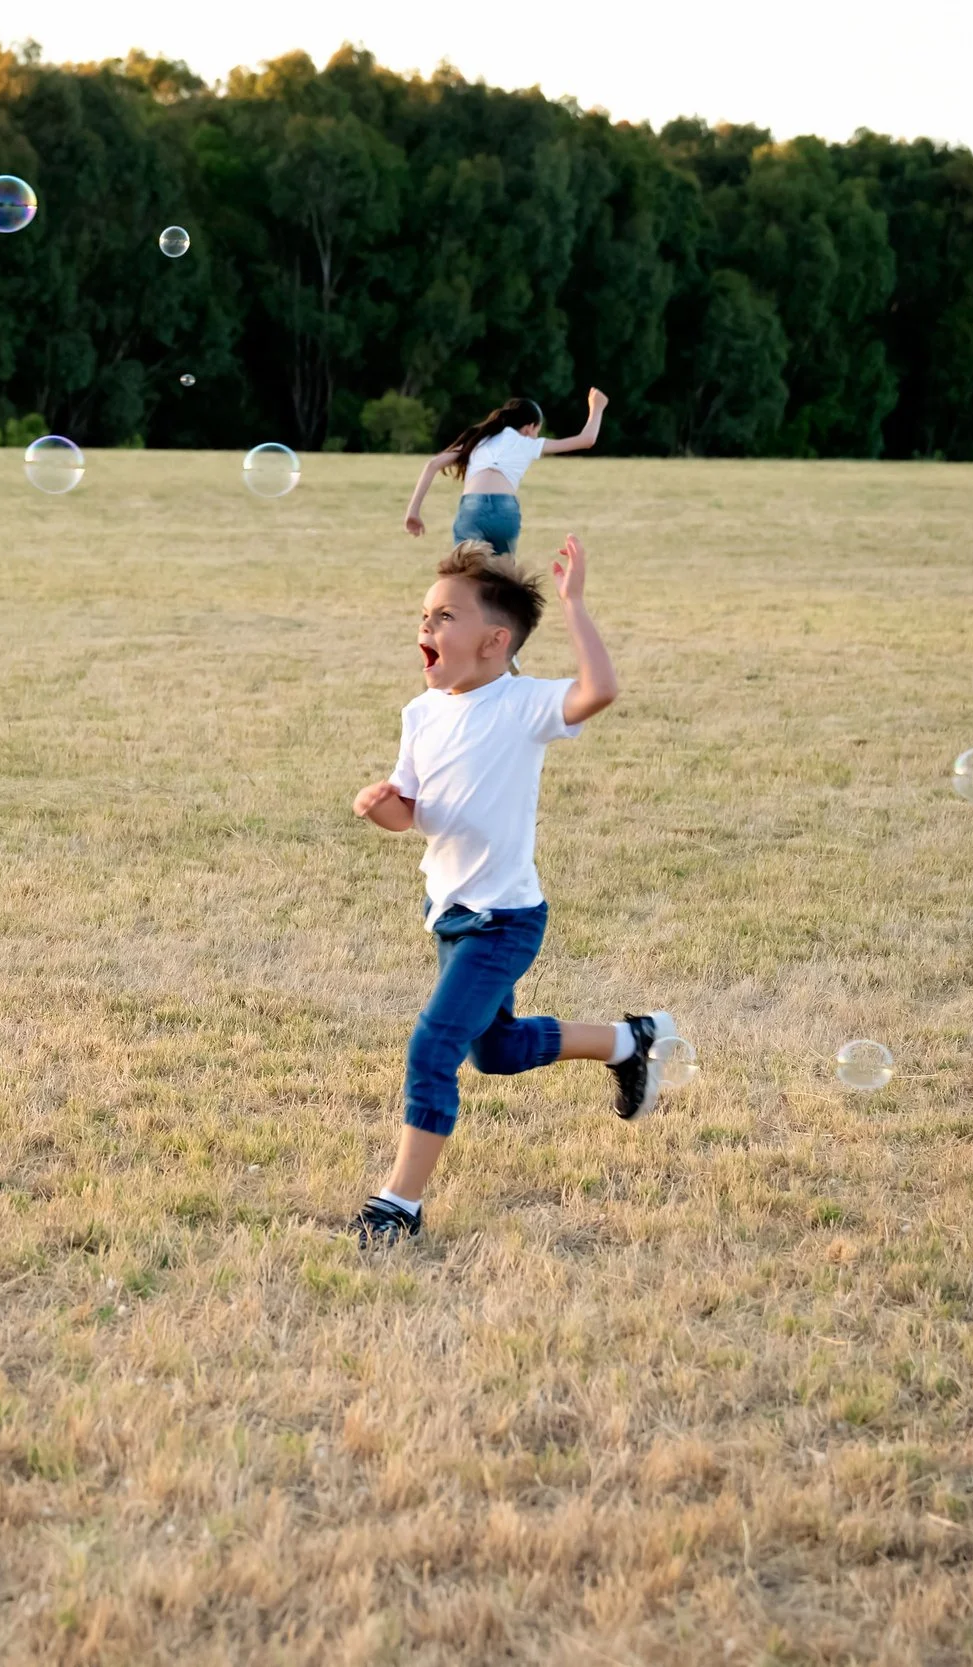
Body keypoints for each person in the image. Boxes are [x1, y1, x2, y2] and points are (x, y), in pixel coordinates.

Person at [347, 535, 680, 1248]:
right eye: (425, 616)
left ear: (495, 642)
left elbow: (601, 691)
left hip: (506, 920)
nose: (425, 629)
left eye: (443, 617)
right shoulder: (421, 714)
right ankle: (632, 1040)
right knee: (492, 1049)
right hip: (449, 914)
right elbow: (413, 810)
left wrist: (575, 607)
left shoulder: (523, 704)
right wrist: (385, 808)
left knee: (433, 1046)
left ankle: (398, 1204)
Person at [403, 389, 609, 555]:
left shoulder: (478, 439)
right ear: (530, 428)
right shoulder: (527, 443)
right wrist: (597, 407)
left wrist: (413, 512)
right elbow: (586, 440)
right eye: (537, 429)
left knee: (464, 580)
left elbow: (432, 464)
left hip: (472, 509)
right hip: (505, 510)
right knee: (503, 584)